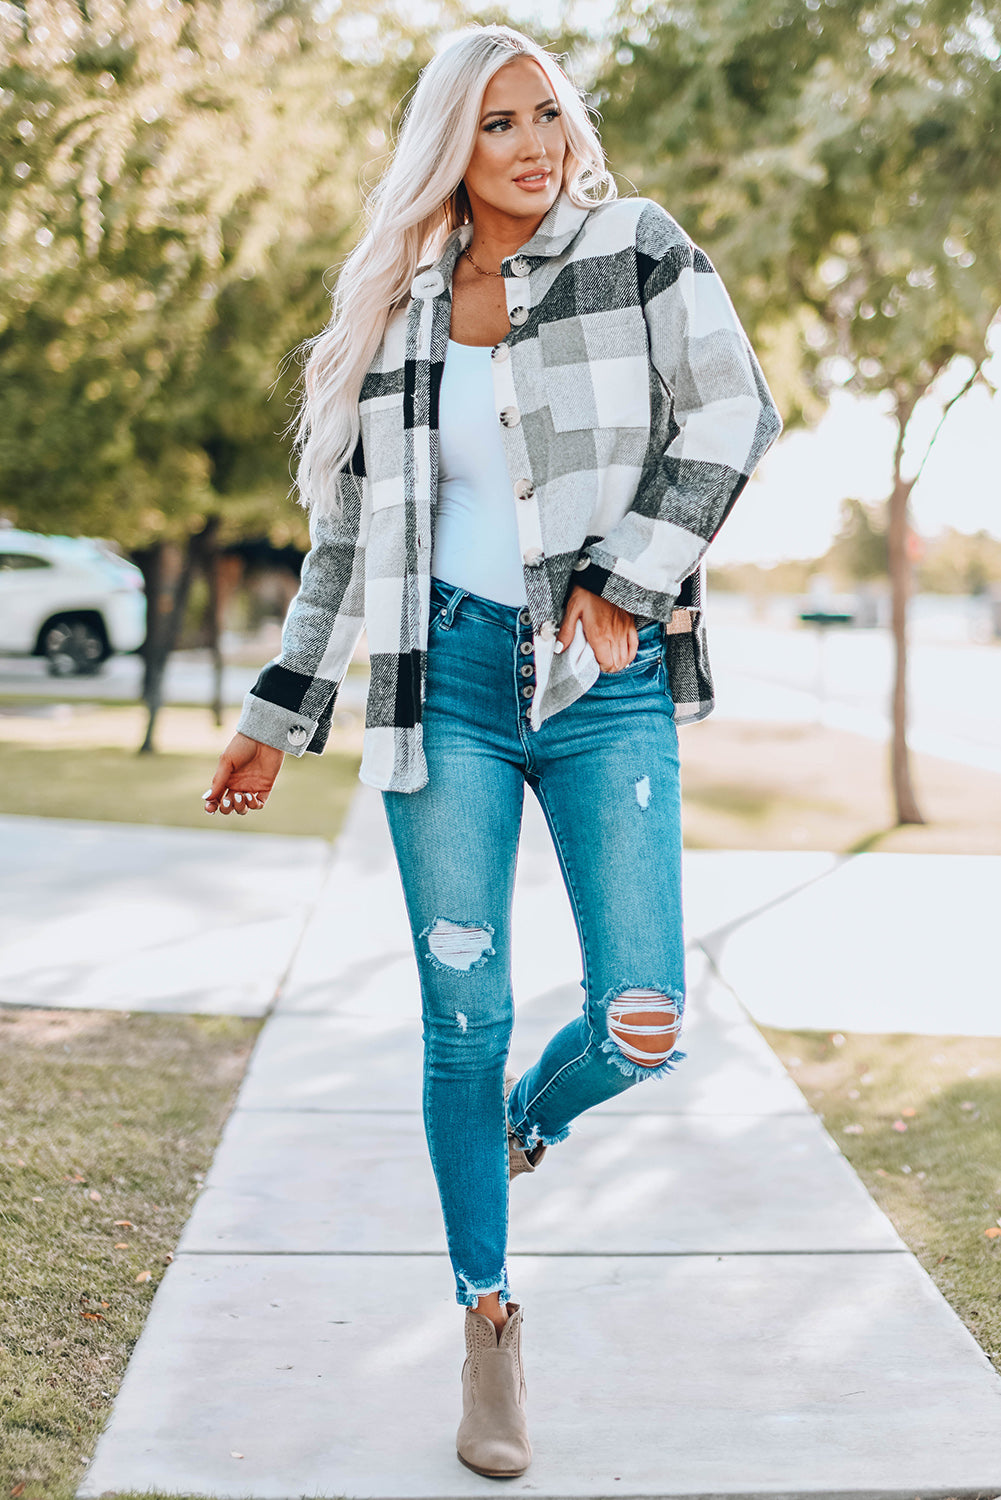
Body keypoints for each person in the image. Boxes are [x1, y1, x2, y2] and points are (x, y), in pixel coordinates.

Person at [202, 22, 782, 1480]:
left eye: (546, 114)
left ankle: (532, 1122)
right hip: (436, 686)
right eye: (498, 125)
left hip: (601, 680)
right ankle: (487, 1323)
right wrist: (277, 717)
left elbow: (734, 411)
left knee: (641, 1022)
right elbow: (343, 546)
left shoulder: (636, 246)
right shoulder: (393, 312)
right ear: (447, 150)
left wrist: (624, 582)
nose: (535, 144)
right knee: (458, 1019)